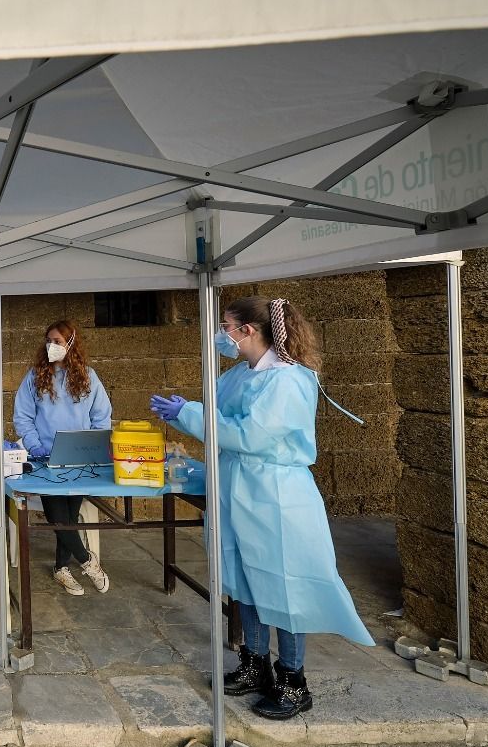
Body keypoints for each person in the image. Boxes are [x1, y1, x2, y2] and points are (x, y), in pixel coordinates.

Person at [149, 296, 372, 720]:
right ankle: (255, 663)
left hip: (276, 494)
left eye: (226, 326)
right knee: (244, 580)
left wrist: (192, 414)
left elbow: (251, 435)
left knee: (285, 587)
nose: (222, 335)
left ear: (247, 330)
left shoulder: (289, 380)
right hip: (237, 488)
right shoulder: (239, 375)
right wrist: (182, 415)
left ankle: (293, 680)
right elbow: (217, 419)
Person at [13, 320, 113, 597]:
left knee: (68, 515)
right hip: (45, 458)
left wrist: (90, 446)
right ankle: (87, 561)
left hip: (78, 459)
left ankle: (61, 568)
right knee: (57, 515)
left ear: (70, 344)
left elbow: (101, 416)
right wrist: (35, 447)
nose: (51, 346)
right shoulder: (35, 376)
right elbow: (22, 416)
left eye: (57, 341)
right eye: (48, 341)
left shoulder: (88, 376)